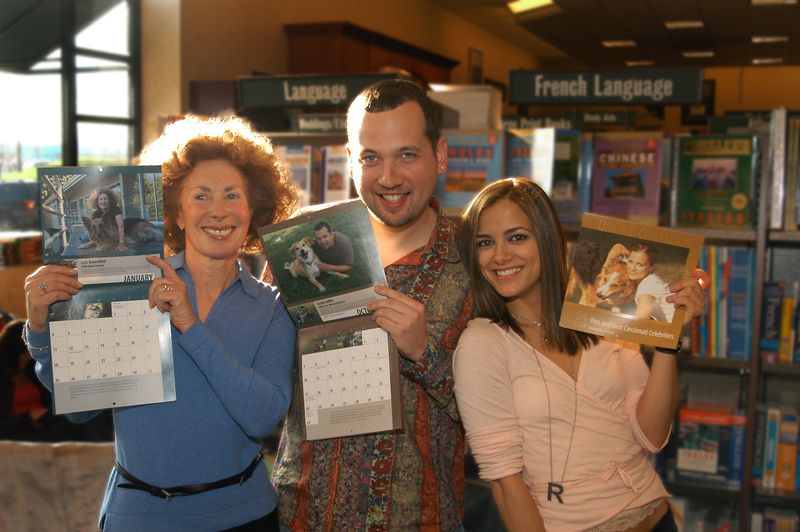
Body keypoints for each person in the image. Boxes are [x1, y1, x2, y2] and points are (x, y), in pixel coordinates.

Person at [23, 114, 298, 531]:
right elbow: (84, 409)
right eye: (201, 196)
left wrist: (190, 325)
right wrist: (41, 331)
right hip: (139, 516)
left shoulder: (271, 306)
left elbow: (263, 418)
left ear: (253, 210)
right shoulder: (133, 287)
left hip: (245, 515)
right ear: (178, 214)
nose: (219, 211)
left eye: (232, 195)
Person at [270, 79, 473, 530]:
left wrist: (426, 355)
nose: (389, 178)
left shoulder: (477, 262)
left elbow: (505, 419)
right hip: (303, 515)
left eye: (407, 154)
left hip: (419, 519)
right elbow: (256, 383)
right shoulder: (296, 245)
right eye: (370, 158)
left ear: (439, 154)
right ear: (350, 159)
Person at [453, 178, 707, 531]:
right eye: (485, 242)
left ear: (547, 239)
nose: (500, 255)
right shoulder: (481, 343)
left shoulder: (600, 313)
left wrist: (667, 337)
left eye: (517, 237)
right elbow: (504, 483)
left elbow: (652, 435)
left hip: (657, 519)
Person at [625, 243, 675, 323]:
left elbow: (640, 324)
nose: (632, 268)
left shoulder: (647, 286)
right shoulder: (652, 279)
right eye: (630, 262)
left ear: (652, 267)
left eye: (639, 264)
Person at [88, 188, 128, 252]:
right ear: (97, 202)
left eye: (105, 199)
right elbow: (93, 229)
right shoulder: (95, 214)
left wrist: (121, 243)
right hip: (103, 234)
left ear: (110, 200)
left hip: (116, 233)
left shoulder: (116, 209)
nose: (103, 201)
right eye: (100, 199)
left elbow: (121, 226)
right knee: (85, 237)